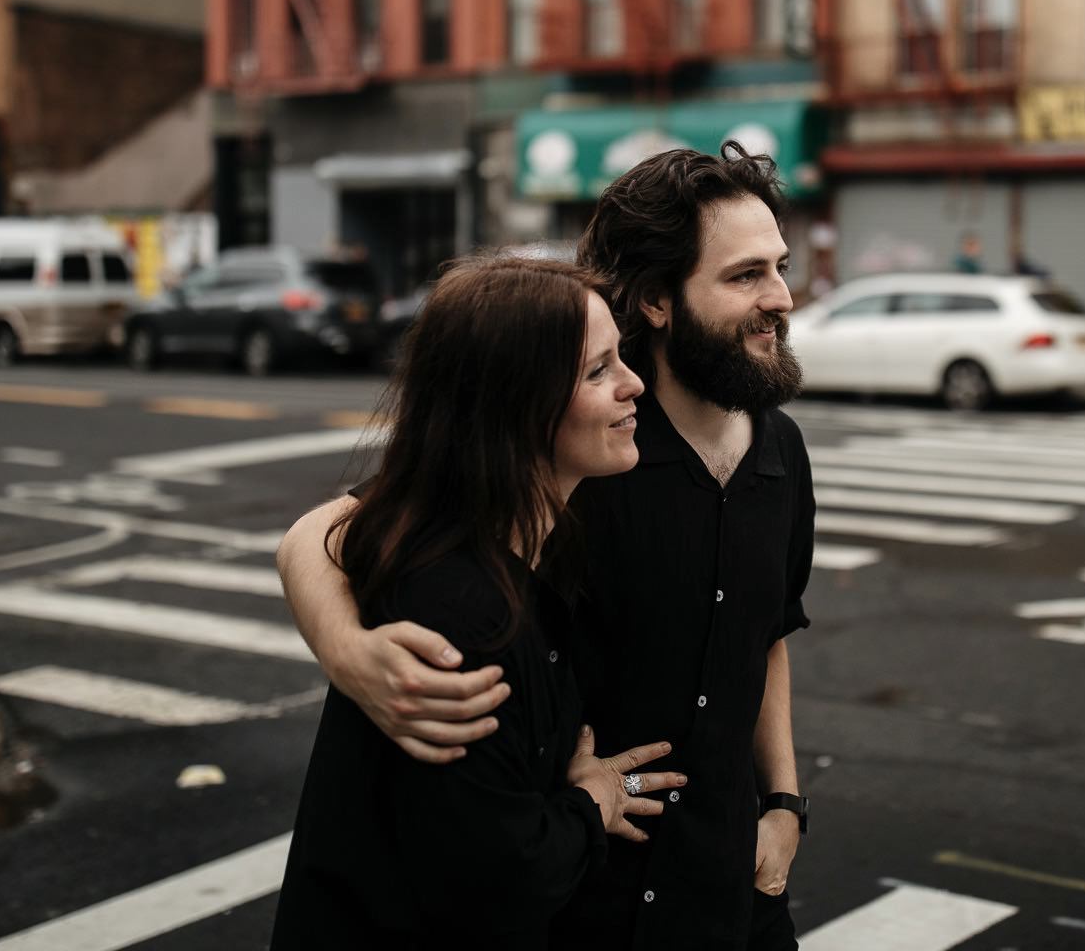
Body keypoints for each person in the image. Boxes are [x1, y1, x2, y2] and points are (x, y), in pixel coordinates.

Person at [276, 143, 817, 951]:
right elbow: (325, 532)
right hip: (582, 893)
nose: (780, 297)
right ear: (660, 301)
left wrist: (782, 801)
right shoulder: (584, 442)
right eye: (745, 276)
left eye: (779, 266)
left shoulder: (782, 454)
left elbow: (767, 632)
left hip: (730, 881)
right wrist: (350, 653)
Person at [270, 256, 685, 949]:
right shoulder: (460, 624)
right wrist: (591, 802)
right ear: (515, 406)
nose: (633, 384)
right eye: (597, 370)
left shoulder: (489, 534)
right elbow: (499, 881)